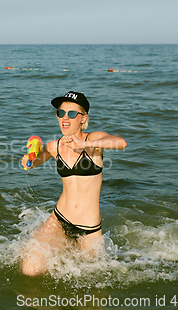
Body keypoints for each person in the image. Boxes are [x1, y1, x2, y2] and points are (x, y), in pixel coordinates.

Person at [20, 91, 127, 277]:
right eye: (61, 113)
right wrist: (28, 159)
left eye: (71, 113)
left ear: (83, 118)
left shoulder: (93, 140)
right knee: (30, 269)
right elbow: (34, 162)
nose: (65, 118)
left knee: (89, 285)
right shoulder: (54, 146)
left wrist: (82, 145)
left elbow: (121, 142)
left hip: (89, 230)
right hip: (60, 220)